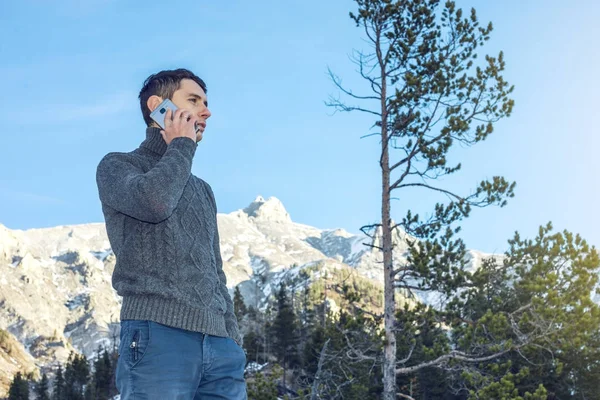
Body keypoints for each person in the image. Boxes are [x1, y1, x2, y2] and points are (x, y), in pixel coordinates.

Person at [96, 68, 247, 399]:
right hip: (158, 336)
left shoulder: (203, 190)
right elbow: (155, 203)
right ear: (157, 107)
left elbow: (215, 270)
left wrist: (233, 341)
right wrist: (181, 144)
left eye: (206, 103)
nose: (206, 111)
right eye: (193, 101)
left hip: (220, 348)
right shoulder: (117, 166)